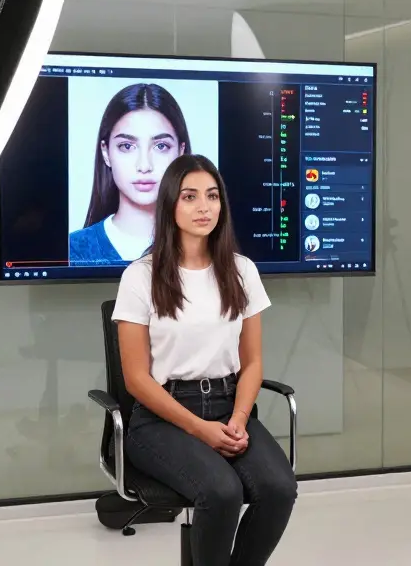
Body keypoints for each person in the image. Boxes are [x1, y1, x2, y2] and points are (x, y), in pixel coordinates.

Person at [114, 154, 297, 566]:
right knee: (221, 491)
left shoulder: (242, 271)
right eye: (190, 196)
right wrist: (200, 429)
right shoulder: (140, 276)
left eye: (212, 196)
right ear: (170, 206)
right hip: (161, 417)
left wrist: (238, 417)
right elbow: (135, 379)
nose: (204, 207)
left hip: (230, 406)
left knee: (280, 488)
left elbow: (251, 364)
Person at [69, 83, 190, 265]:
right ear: (106, 153)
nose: (144, 165)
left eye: (161, 146)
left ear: (181, 152)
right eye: (127, 146)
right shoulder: (73, 250)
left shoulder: (206, 245)